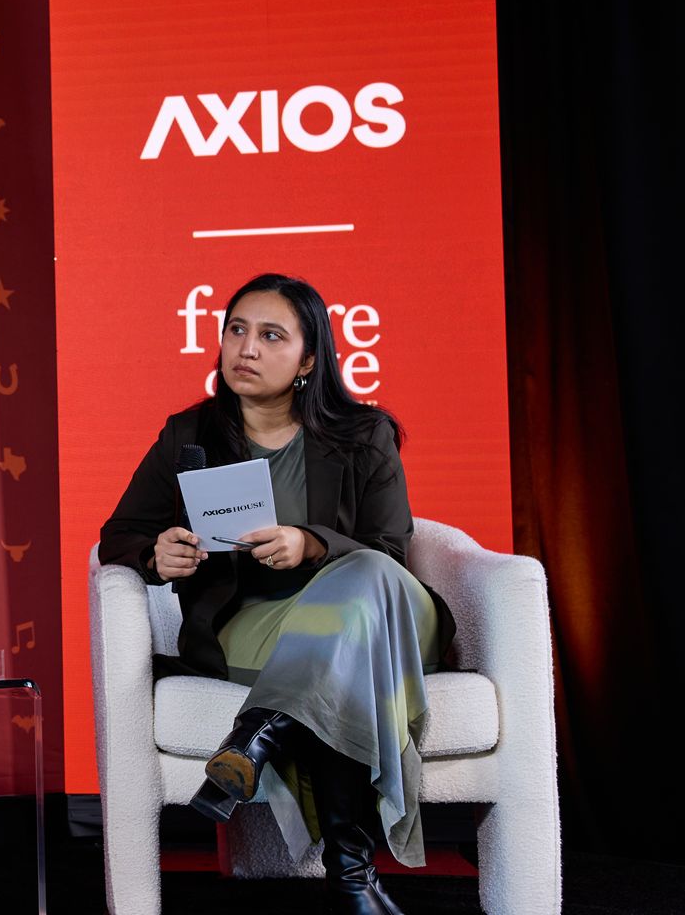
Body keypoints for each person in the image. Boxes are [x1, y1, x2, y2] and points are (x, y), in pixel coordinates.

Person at [99, 273, 453, 915]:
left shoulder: (363, 434)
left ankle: (256, 734)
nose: (247, 348)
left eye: (270, 336)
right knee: (340, 670)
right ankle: (353, 878)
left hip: (388, 620)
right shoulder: (189, 435)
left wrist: (312, 544)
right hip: (260, 628)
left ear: (308, 360)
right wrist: (156, 554)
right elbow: (119, 534)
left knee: (368, 575)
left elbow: (391, 554)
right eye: (237, 330)